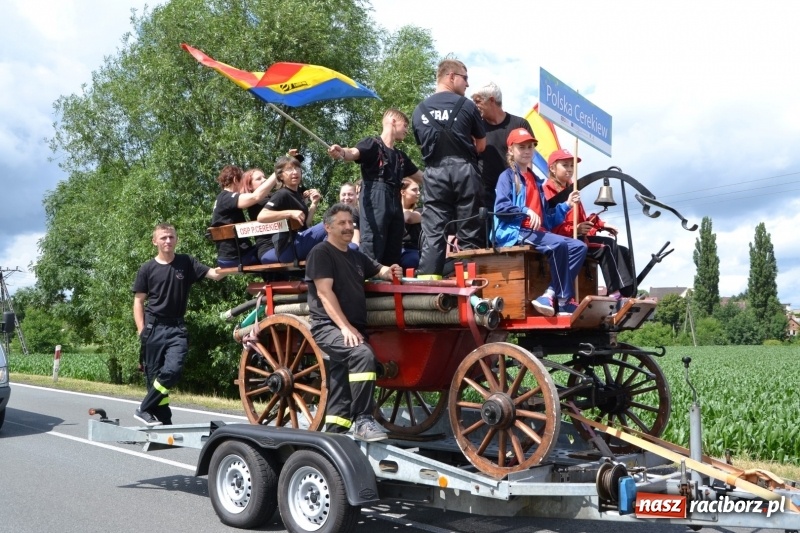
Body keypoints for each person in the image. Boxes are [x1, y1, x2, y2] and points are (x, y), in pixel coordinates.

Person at [305, 203, 403, 441]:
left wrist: (391, 271)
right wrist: (345, 327)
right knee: (362, 355)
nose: (348, 227)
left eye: (351, 223)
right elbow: (324, 294)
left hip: (353, 328)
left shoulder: (356, 256)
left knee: (341, 376)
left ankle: (335, 432)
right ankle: (363, 421)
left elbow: (378, 270)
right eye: (342, 223)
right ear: (327, 227)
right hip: (328, 327)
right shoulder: (321, 253)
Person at [133, 223, 228, 426]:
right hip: (153, 329)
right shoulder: (147, 268)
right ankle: (163, 422)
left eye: (171, 237)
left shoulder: (186, 262)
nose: (168, 241)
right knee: (154, 379)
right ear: (155, 241)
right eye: (163, 237)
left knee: (172, 371)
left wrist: (234, 263)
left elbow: (215, 274)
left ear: (176, 239)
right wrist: (141, 330)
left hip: (177, 328)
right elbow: (138, 302)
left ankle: (143, 408)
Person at [494, 129, 588, 316]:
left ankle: (550, 293)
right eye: (522, 147)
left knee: (579, 247)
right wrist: (525, 211)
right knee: (558, 244)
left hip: (538, 232)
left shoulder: (536, 181)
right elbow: (501, 208)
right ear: (511, 150)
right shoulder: (507, 176)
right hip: (516, 231)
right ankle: (563, 301)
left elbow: (547, 220)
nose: (527, 151)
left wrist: (567, 205)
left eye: (530, 147)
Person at [412, 59, 487, 279]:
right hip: (464, 171)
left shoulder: (419, 111)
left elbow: (422, 146)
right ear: (451, 76)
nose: (468, 84)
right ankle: (470, 283)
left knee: (433, 230)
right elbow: (481, 145)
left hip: (434, 173)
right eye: (465, 78)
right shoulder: (467, 106)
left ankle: (428, 284)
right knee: (470, 228)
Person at [327, 109, 423, 265]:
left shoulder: (401, 157)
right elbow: (353, 152)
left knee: (393, 248)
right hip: (375, 199)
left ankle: (390, 280)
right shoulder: (371, 144)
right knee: (373, 245)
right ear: (393, 121)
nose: (407, 130)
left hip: (394, 202)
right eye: (405, 125)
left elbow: (422, 177)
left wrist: (447, 181)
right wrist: (342, 152)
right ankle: (369, 280)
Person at [543, 149, 635, 299]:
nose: (570, 169)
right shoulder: (547, 192)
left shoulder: (573, 190)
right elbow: (549, 225)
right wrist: (575, 229)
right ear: (552, 168)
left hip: (578, 237)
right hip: (564, 242)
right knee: (606, 246)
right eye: (565, 165)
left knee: (623, 250)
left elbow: (582, 221)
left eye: (572, 166)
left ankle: (629, 294)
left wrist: (600, 224)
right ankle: (616, 294)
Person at [472, 82, 534, 209]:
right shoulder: (476, 128)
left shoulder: (520, 124)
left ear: (491, 100)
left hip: (515, 194)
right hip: (486, 197)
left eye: (478, 101)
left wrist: (525, 186)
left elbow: (528, 159)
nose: (475, 106)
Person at [256, 155, 325, 264]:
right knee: (332, 223)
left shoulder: (297, 195)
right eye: (289, 169)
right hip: (288, 247)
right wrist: (289, 213)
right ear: (281, 176)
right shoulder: (282, 194)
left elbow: (305, 223)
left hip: (299, 241)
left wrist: (314, 203)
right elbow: (261, 217)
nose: (295, 172)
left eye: (297, 168)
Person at [210, 165, 276, 267]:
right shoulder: (226, 197)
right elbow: (255, 197)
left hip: (228, 256)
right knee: (268, 252)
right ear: (235, 180)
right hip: (237, 257)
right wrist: (277, 172)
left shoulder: (221, 199)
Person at [400, 177, 422, 270]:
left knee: (411, 261)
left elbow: (408, 218)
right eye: (414, 190)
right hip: (394, 249)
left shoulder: (420, 211)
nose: (418, 193)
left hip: (412, 249)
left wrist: (399, 208)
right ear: (403, 192)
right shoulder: (391, 209)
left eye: (418, 190)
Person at [338, 182, 361, 247]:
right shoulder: (334, 215)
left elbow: (355, 242)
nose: (346, 197)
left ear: (356, 195)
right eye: (343, 194)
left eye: (350, 194)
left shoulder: (359, 213)